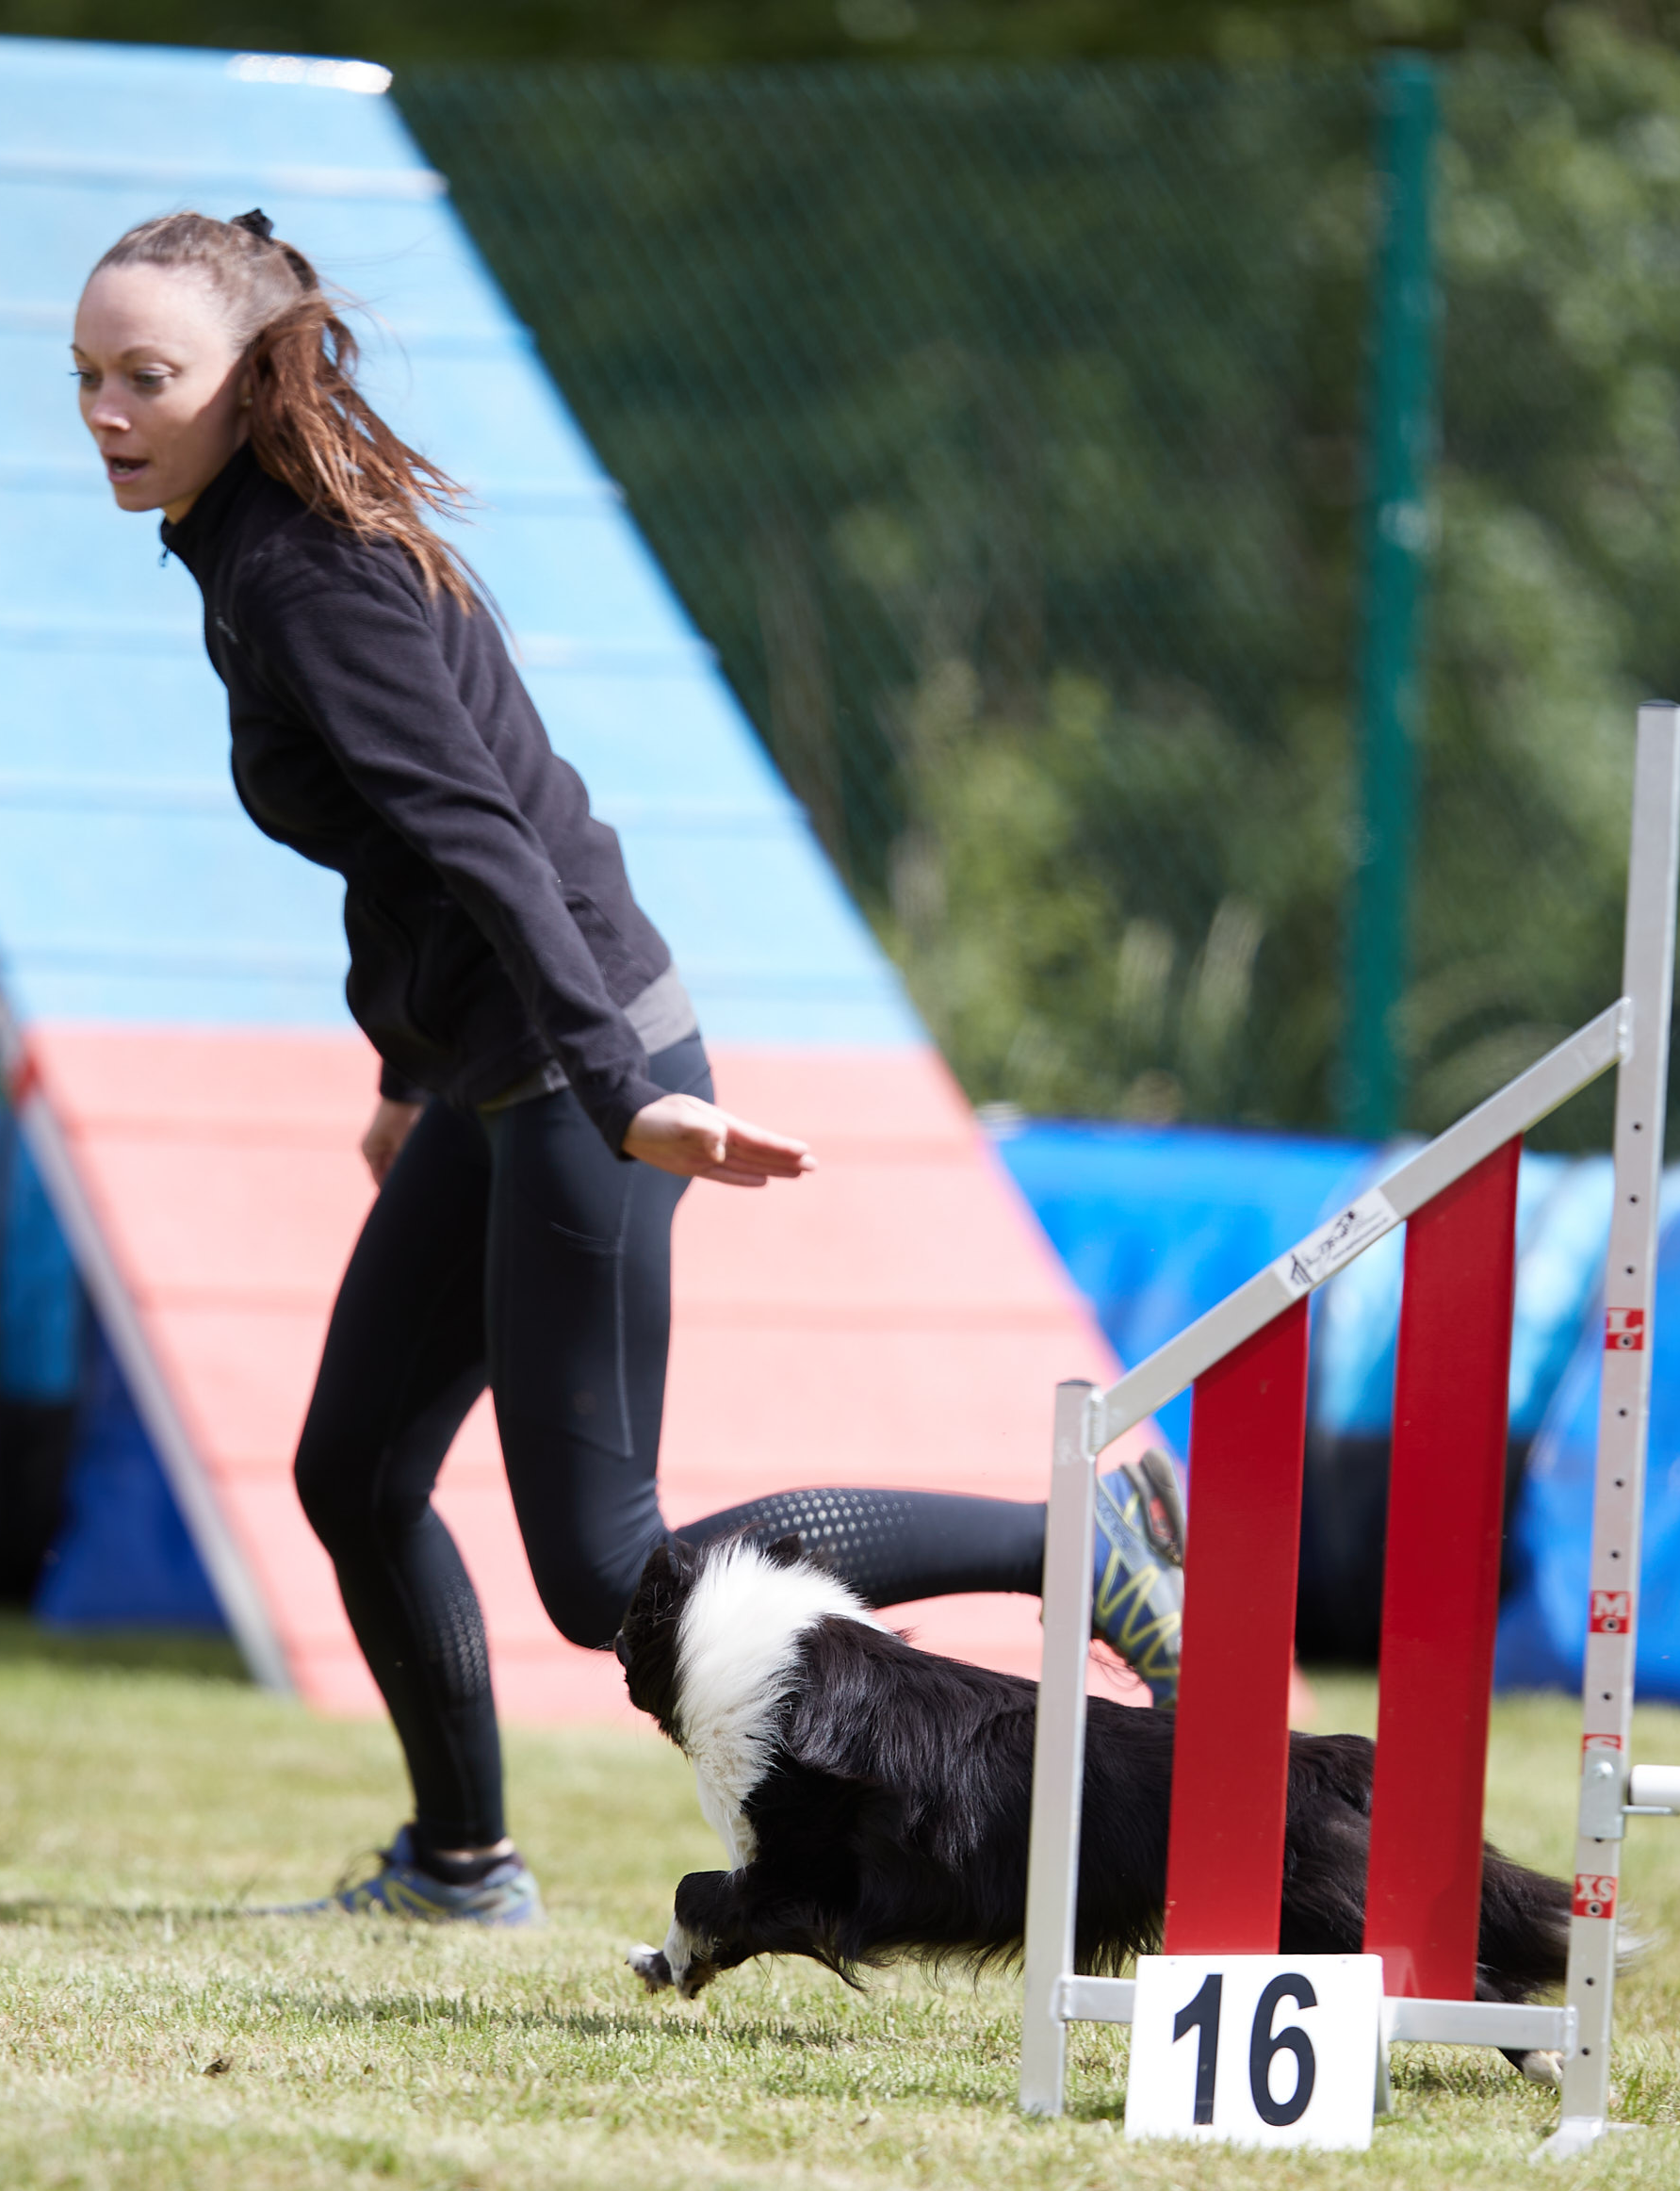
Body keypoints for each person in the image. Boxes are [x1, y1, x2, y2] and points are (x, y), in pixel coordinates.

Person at [71, 208, 1185, 1925]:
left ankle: (1076, 1546)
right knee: (354, 1468)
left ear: (246, 380)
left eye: (147, 376)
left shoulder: (306, 574)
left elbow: (490, 834)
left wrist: (615, 1084)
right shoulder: (246, 547)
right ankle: (459, 1867)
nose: (105, 411)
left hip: (578, 1057)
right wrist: (409, 1068)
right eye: (86, 375)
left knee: (606, 1578)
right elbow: (410, 856)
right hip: (502, 1060)